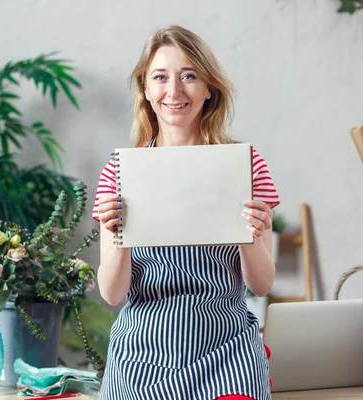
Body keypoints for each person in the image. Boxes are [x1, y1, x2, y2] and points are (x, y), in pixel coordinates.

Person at [92, 25, 280, 400]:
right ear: (145, 89)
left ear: (208, 88)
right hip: (140, 359)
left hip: (227, 357)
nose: (174, 91)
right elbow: (112, 293)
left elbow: (261, 284)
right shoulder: (120, 172)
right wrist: (119, 235)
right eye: (160, 77)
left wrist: (250, 235)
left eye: (189, 76)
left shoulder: (245, 165)